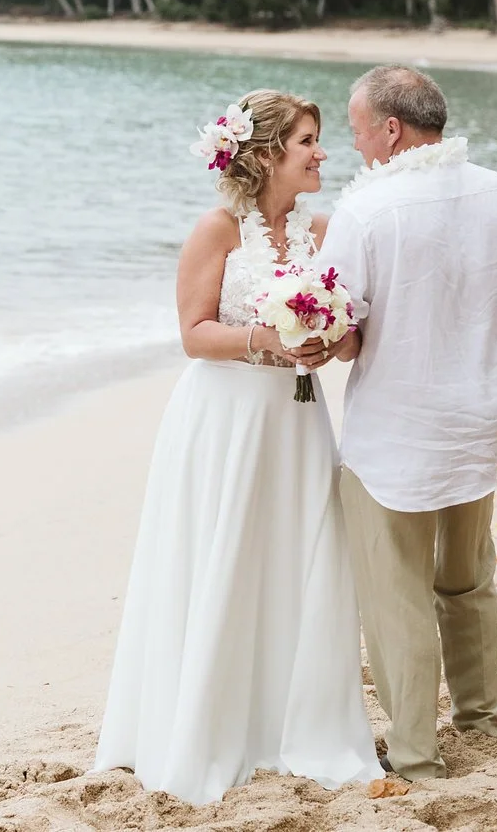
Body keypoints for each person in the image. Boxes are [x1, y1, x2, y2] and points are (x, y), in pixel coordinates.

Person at [94, 90, 381, 802]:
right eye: (308, 140)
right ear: (266, 153)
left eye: (320, 138)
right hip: (223, 424)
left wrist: (333, 337)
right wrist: (266, 339)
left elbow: (348, 337)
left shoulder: (325, 229)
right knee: (221, 558)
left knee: (301, 558)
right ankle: (209, 726)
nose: (322, 152)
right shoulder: (216, 229)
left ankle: (298, 723)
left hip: (297, 423)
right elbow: (193, 333)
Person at [316, 65, 497, 784]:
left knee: (397, 595)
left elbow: (344, 330)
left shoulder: (369, 210)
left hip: (395, 430)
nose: (355, 149)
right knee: (469, 579)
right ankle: (481, 715)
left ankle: (416, 750)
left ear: (390, 129)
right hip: (477, 417)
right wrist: (475, 371)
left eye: (357, 132)